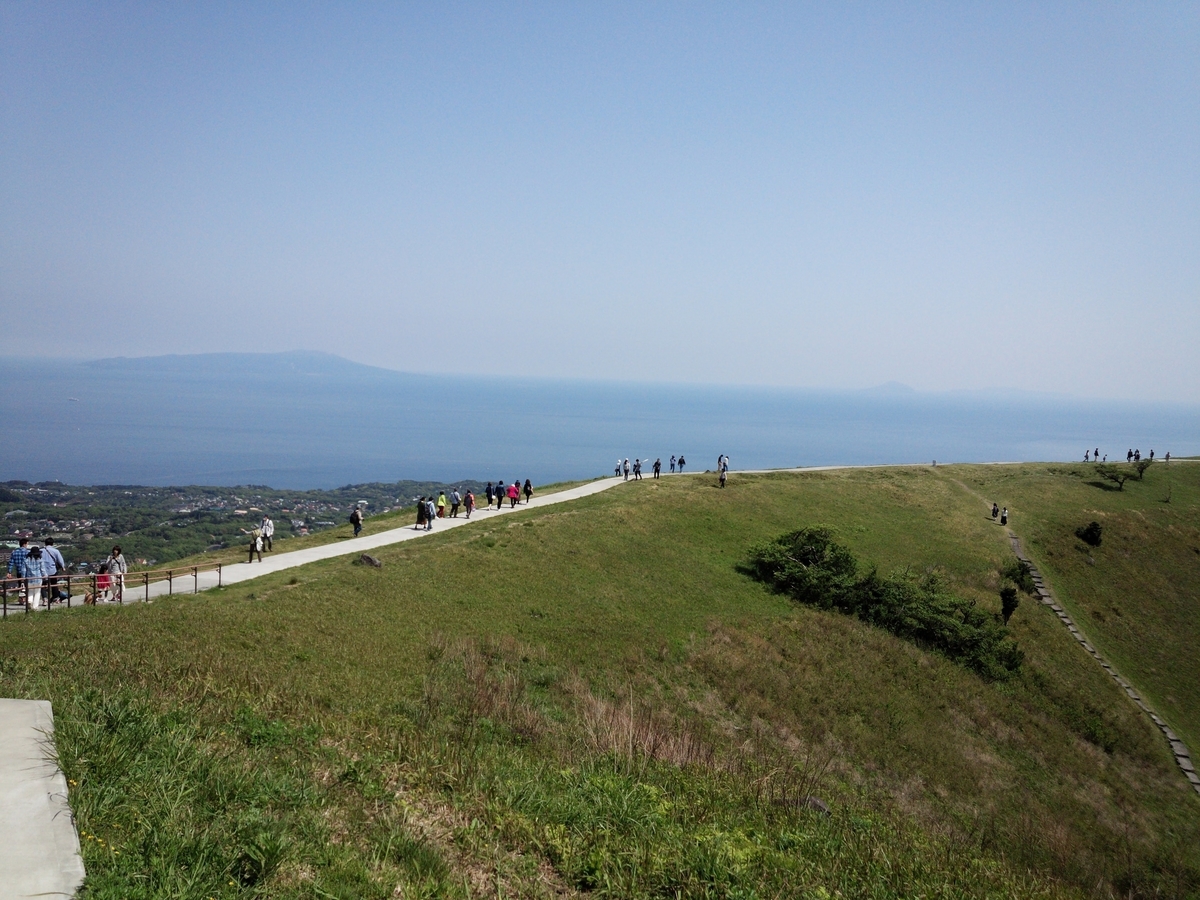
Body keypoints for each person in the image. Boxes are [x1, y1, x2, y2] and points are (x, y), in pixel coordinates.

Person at [42, 538, 67, 603]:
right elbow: (60, 560)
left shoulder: (41, 550)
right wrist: (63, 567)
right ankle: (55, 597)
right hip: (52, 570)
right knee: (54, 584)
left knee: (43, 585)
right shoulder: (56, 551)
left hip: (43, 571)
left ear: (45, 543)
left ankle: (45, 598)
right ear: (52, 543)